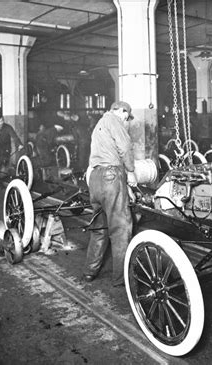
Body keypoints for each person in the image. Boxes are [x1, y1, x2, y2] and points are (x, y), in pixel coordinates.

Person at [83, 101, 137, 287]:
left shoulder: (99, 124)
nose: (126, 120)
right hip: (111, 176)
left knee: (99, 228)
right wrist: (130, 173)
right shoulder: (114, 121)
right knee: (120, 228)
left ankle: (90, 271)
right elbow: (125, 146)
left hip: (95, 178)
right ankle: (121, 279)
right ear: (121, 111)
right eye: (126, 116)